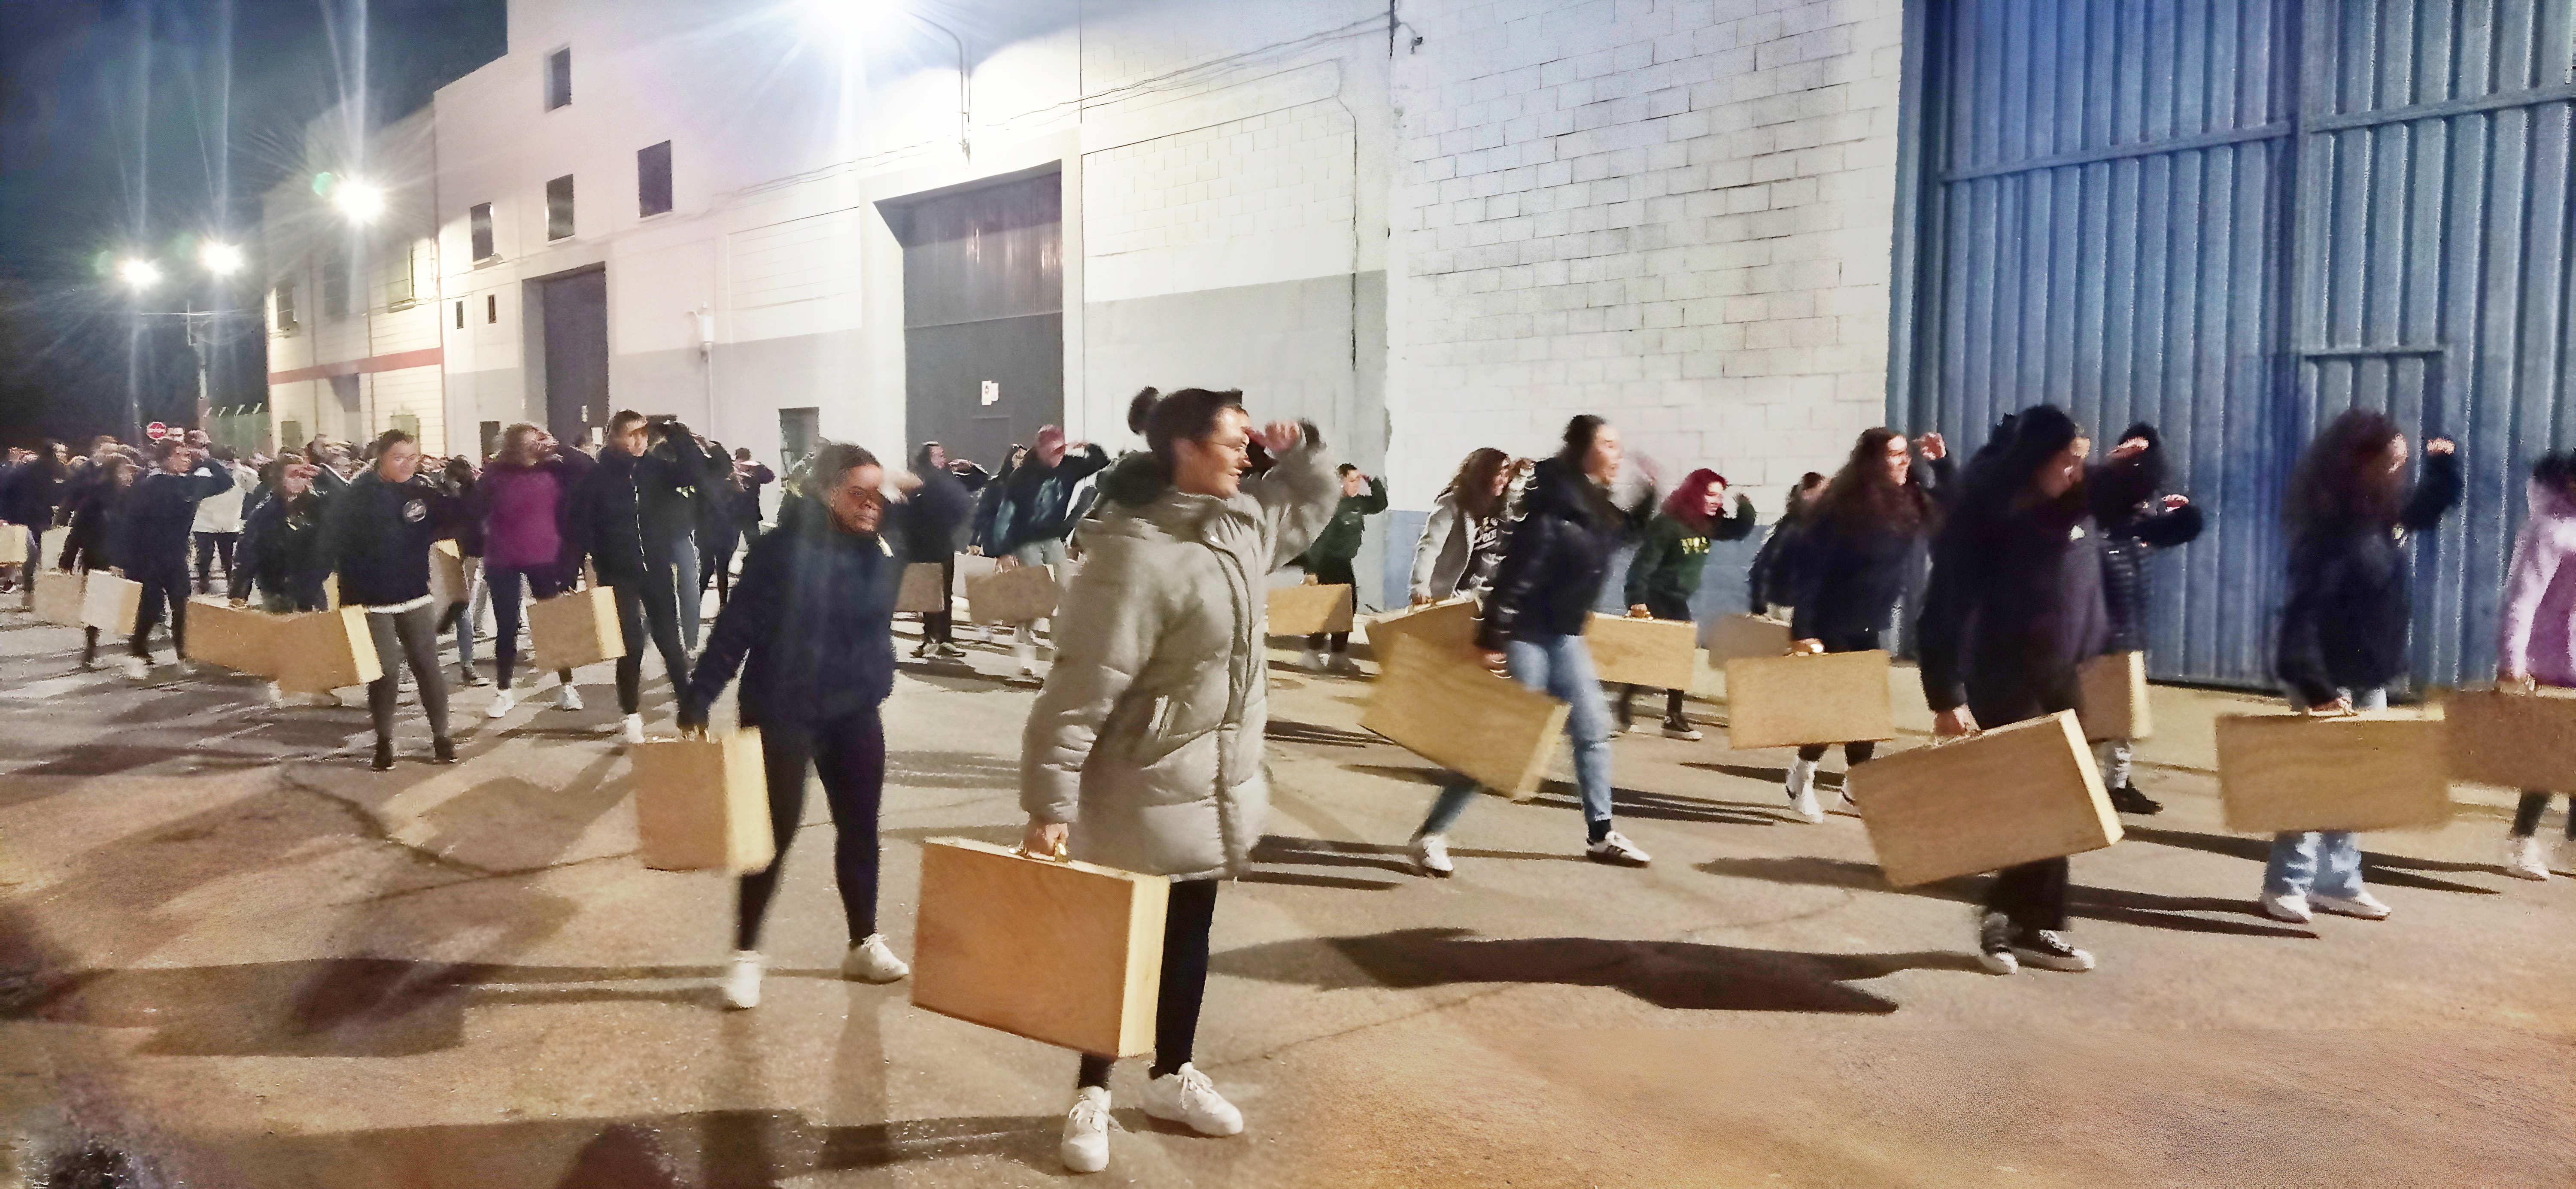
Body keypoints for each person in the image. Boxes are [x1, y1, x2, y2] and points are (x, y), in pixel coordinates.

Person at [1020, 387, 1335, 1175]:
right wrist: (1049, 804)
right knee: (1117, 943)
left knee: (1190, 930)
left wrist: (1301, 452)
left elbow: (1315, 502)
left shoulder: (1238, 528)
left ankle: (1169, 1075)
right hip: (1137, 779)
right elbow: (1078, 686)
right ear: (1186, 450)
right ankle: (1092, 1091)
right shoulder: (1131, 553)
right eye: (1234, 441)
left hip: (1212, 776)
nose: (1246, 454)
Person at [683, 443, 972, 1010]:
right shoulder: (780, 550)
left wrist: (897, 477)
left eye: (875, 494)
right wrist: (698, 699)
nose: (869, 505)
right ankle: (745, 955)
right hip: (782, 708)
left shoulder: (889, 538)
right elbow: (734, 629)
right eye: (856, 493)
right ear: (825, 492)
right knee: (773, 833)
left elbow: (956, 504)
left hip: (855, 707)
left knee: (860, 827)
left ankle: (862, 942)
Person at [1406, 415, 1658, 878]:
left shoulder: (1591, 504)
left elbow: (1620, 535)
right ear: (1584, 450)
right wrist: (1492, 639)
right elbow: (1515, 579)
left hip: (1565, 637)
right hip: (1527, 636)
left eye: (1618, 445)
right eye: (1608, 444)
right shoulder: (1553, 510)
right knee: (1503, 735)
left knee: (1593, 729)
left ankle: (1601, 834)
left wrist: (1647, 499)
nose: (1617, 453)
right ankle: (1431, 834)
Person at [1917, 405, 2103, 975]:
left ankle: (2033, 925)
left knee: (2060, 801)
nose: (2078, 473)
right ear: (2035, 461)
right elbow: (1941, 609)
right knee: (2029, 799)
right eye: (2067, 462)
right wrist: (1946, 696)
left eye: (2082, 462)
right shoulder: (1986, 516)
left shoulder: (2070, 509)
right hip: (2003, 674)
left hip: (2061, 673)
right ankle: (2005, 919)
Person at [2267, 409, 2461, 922]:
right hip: (2328, 679)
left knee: (2353, 788)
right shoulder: (2330, 532)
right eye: (2392, 462)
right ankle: (2285, 885)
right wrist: (2317, 688)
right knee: (2315, 785)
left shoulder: (2383, 517)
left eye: (2403, 462)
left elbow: (2428, 507)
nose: (2401, 471)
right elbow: (2301, 619)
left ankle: (2339, 883)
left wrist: (2443, 468)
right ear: (2361, 466)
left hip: (2368, 676)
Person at [1780, 430, 1949, 821]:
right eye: (1896, 455)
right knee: (1836, 710)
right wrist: (1803, 630)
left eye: (1907, 454)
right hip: (1830, 621)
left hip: (1872, 620)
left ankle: (1854, 793)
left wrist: (1942, 463)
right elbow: (1811, 573)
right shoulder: (1840, 509)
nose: (1906, 461)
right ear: (1873, 463)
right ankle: (1801, 776)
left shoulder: (1907, 500)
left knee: (1867, 712)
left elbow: (1951, 506)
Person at [323, 430, 464, 770]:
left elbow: (459, 519)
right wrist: (345, 601)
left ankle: (441, 736)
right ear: (381, 458)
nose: (407, 465)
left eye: (413, 457)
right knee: (385, 673)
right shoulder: (357, 496)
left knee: (428, 667)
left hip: (415, 594)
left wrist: (462, 484)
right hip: (371, 600)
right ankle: (384, 741)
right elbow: (333, 546)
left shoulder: (420, 493)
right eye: (398, 457)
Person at [2087, 424, 2205, 815]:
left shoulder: (2139, 520)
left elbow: (2180, 530)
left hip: (2127, 625)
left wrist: (2185, 512)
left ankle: (2117, 783)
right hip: (2092, 627)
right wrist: (2114, 463)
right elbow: (2090, 493)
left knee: (2123, 713)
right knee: (2089, 711)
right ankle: (2081, 779)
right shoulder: (2094, 514)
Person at [565, 411, 696, 743]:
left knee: (671, 643)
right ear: (613, 438)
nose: (639, 441)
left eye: (643, 434)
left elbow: (692, 472)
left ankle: (690, 714)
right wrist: (572, 567)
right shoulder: (597, 478)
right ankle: (631, 715)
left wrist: (679, 434)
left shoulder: (653, 470)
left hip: (657, 569)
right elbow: (579, 525)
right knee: (631, 646)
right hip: (618, 573)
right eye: (631, 435)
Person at [1619, 467, 1756, 738]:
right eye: (1711, 495)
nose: (1717, 501)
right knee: (1663, 654)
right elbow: (1643, 565)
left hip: (1678, 598)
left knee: (1672, 655)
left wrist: (1745, 506)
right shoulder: (1669, 524)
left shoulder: (1706, 524)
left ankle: (1654, 713)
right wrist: (1637, 600)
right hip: (1656, 596)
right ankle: (1662, 715)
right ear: (1695, 494)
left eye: (1721, 496)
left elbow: (1738, 530)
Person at [473, 425, 589, 718]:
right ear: (515, 445)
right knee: (507, 626)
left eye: (541, 438)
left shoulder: (556, 470)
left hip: (545, 557)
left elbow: (589, 469)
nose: (537, 444)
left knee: (552, 623)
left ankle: (567, 686)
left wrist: (557, 447)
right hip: (502, 559)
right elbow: (474, 510)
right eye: (532, 440)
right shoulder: (494, 475)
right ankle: (504, 691)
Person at [2498, 451, 2576, 880]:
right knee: (2550, 756)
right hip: (2552, 660)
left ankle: (2572, 845)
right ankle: (2521, 841)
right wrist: (2513, 660)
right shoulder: (2549, 530)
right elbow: (2522, 599)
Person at [988, 426, 1111, 677]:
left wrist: (1086, 446)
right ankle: (1025, 644)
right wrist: (1002, 550)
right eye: (1053, 451)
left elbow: (1101, 462)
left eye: (1061, 450)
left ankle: (1063, 651)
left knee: (1066, 590)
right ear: (1041, 449)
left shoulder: (1068, 466)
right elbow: (1005, 514)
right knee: (1038, 597)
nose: (1058, 456)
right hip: (1026, 540)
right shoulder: (1022, 477)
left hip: (1053, 538)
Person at [113, 440, 236, 679]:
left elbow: (226, 482)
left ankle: (183, 651)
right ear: (165, 459)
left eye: (188, 455)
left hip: (175, 554)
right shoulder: (149, 485)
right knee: (150, 605)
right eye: (179, 454)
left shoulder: (189, 485)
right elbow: (129, 522)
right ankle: (138, 646)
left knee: (181, 604)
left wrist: (206, 459)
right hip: (147, 555)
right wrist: (124, 558)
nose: (186, 458)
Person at [1295, 464, 1387, 672]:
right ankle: (1312, 653)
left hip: (1344, 562)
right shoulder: (1329, 507)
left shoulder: (1356, 504)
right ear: (1340, 482)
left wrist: (1372, 480)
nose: (1356, 485)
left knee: (1346, 609)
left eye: (1358, 480)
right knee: (1327, 609)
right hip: (1327, 563)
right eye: (1352, 480)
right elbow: (1317, 541)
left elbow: (1379, 503)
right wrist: (1311, 571)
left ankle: (1337, 655)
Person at [637, 420, 715, 652]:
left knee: (677, 589)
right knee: (674, 590)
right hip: (663, 533)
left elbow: (708, 470)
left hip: (674, 531)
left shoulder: (654, 460)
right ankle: (678, 645)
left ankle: (681, 644)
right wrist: (686, 441)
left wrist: (698, 445)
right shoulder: (653, 462)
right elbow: (689, 475)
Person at [1407, 447, 1514, 606]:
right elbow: (1429, 547)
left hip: (1487, 596)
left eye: (1506, 475)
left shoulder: (1504, 505)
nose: (1503, 481)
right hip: (1451, 595)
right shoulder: (1452, 504)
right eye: (1498, 474)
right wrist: (1419, 587)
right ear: (1482, 475)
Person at [904, 442, 970, 658]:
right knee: (927, 594)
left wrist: (968, 467)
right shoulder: (918, 479)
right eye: (938, 456)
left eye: (943, 455)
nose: (943, 460)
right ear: (927, 458)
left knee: (945, 594)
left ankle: (945, 639)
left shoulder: (948, 478)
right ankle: (928, 639)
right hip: (923, 546)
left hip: (943, 544)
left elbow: (979, 482)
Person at [1747, 472, 1827, 616]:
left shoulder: (1812, 526)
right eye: (1822, 492)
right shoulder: (1793, 526)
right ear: (1807, 494)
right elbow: (1764, 565)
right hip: (1785, 606)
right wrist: (1759, 603)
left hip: (1794, 604)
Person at [1, 440, 67, 608]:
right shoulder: (27, 472)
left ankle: (37, 592)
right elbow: (6, 490)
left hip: (41, 518)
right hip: (24, 520)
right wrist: (4, 516)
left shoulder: (53, 472)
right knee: (32, 554)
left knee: (43, 557)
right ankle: (29, 590)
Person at [190, 447, 256, 594]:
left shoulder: (205, 473)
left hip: (221, 522)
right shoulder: (205, 473)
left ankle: (225, 582)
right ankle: (208, 580)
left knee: (223, 555)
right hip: (210, 522)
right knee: (212, 555)